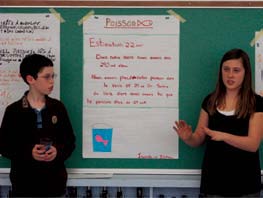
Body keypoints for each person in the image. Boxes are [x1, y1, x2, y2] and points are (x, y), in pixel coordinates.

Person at [173, 48, 263, 197]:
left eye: (236, 70)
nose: (230, 75)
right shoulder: (209, 101)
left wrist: (224, 136)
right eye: (226, 69)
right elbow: (198, 139)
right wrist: (188, 137)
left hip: (245, 186)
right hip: (213, 185)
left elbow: (253, 144)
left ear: (245, 73)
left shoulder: (256, 103)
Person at [0, 54, 76, 197]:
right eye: (47, 77)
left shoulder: (58, 108)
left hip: (55, 185)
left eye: (53, 76)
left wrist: (57, 151)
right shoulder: (14, 111)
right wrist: (29, 152)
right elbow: (4, 146)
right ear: (30, 79)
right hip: (24, 186)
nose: (52, 81)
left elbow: (70, 141)